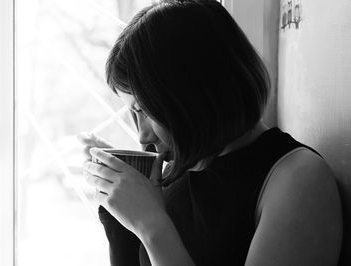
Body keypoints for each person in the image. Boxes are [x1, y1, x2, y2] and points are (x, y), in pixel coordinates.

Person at [79, 0, 343, 265]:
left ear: (192, 97)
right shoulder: (172, 177)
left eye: (145, 111)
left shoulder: (297, 178)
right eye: (134, 114)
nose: (143, 137)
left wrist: (152, 227)